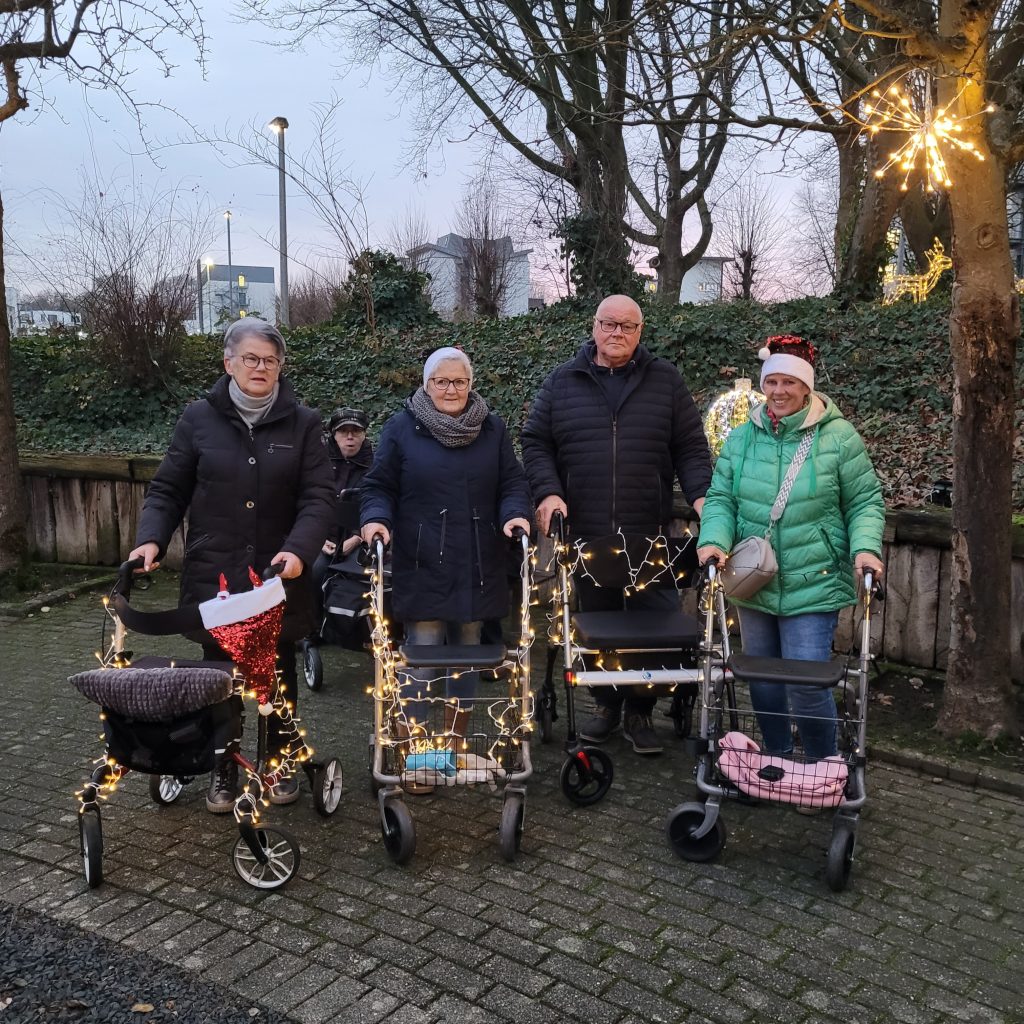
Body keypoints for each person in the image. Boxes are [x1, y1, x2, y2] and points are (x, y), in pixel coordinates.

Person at [129, 319, 335, 812]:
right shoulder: (198, 419)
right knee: (218, 671)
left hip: (277, 574)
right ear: (229, 363)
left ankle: (280, 760)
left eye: (270, 360)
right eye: (251, 358)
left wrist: (299, 551)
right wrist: (150, 540)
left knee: (278, 668)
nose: (261, 367)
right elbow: (168, 489)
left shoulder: (303, 423)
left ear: (281, 367)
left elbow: (319, 497)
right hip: (215, 571)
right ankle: (224, 763)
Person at [522, 294, 713, 755]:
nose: (617, 334)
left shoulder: (665, 380)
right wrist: (548, 492)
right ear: (594, 327)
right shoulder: (562, 381)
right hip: (586, 535)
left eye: (627, 327)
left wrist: (705, 499)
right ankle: (606, 706)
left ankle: (641, 713)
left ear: (640, 332)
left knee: (652, 628)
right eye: (609, 324)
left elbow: (689, 447)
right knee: (597, 625)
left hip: (649, 535)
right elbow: (535, 441)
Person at [696, 334, 885, 764]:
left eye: (789, 382)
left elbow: (864, 502)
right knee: (761, 679)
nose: (779, 391)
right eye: (771, 382)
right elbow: (722, 498)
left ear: (807, 387)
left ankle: (822, 765)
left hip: (812, 579)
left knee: (806, 682)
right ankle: (777, 757)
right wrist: (712, 541)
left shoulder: (838, 438)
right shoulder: (743, 438)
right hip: (754, 578)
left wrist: (866, 549)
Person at [359, 347, 532, 771]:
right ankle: (415, 750)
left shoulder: (492, 429)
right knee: (421, 654)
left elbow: (512, 482)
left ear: (471, 385)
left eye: (459, 381)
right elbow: (378, 485)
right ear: (426, 384)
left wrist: (514, 515)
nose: (451, 389)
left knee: (468, 655)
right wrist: (376, 519)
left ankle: (455, 742)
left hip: (478, 559)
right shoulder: (402, 428)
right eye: (441, 381)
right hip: (423, 560)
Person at [308, 407, 373, 631]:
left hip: (359, 539)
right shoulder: (317, 463)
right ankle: (312, 627)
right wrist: (318, 538)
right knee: (314, 570)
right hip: (321, 537)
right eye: (343, 431)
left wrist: (356, 538)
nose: (350, 437)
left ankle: (350, 627)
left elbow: (377, 505)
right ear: (333, 435)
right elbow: (310, 500)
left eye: (356, 431)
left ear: (364, 434)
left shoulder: (375, 466)